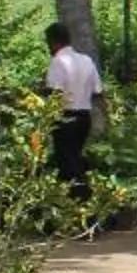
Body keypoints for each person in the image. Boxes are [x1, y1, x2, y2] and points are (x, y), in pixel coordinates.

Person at [45, 23, 102, 192]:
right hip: (84, 118)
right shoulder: (86, 60)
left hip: (65, 118)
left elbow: (55, 93)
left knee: (67, 164)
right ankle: (75, 196)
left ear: (53, 42)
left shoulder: (58, 61)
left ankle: (81, 196)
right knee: (74, 157)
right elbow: (98, 91)